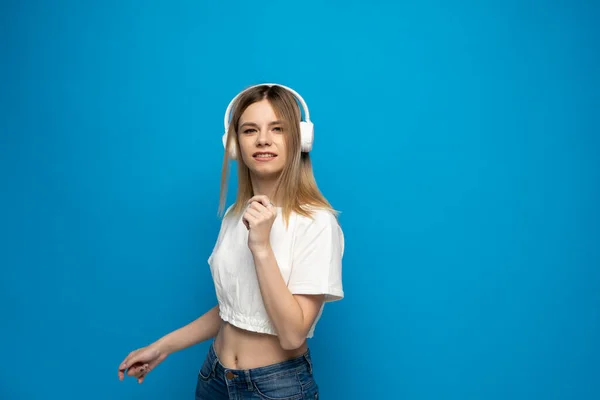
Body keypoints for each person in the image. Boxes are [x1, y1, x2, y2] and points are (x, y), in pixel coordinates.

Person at [118, 83, 344, 399]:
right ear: (235, 144)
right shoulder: (235, 216)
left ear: (300, 139)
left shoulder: (317, 222)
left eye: (277, 128)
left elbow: (293, 334)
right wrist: (163, 347)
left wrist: (261, 247)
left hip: (275, 388)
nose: (263, 139)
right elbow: (235, 309)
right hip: (214, 377)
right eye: (250, 130)